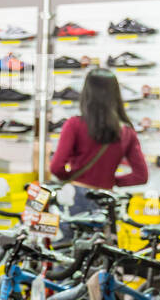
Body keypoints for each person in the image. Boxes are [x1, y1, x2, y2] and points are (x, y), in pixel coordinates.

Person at [49, 68, 148, 223]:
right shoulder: (127, 131)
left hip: (76, 196)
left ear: (86, 93)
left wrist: (74, 178)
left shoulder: (74, 125)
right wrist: (111, 181)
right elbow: (141, 176)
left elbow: (56, 167)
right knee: (103, 245)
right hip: (107, 198)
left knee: (68, 245)